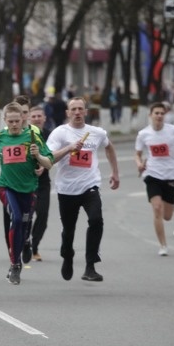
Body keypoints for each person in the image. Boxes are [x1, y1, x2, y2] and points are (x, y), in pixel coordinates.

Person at [46, 97, 120, 282]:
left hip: (90, 185)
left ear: (86, 112)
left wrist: (115, 172)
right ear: (67, 113)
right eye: (74, 109)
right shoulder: (60, 133)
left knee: (96, 220)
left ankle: (90, 266)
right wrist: (69, 148)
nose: (77, 112)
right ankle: (67, 256)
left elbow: (109, 147)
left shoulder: (96, 133)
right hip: (67, 189)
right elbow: (49, 159)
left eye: (81, 109)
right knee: (68, 230)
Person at [0, 102, 53, 284]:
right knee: (15, 219)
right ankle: (15, 264)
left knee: (24, 225)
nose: (15, 124)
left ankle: (25, 243)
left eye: (18, 121)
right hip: (6, 187)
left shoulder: (33, 137)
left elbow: (49, 163)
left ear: (23, 119)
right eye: (11, 121)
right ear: (5, 120)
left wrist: (38, 156)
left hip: (28, 189)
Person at [135, 102, 174, 256]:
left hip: (171, 176)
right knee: (157, 208)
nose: (159, 116)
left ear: (165, 115)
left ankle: (164, 234)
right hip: (152, 175)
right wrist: (139, 164)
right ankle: (163, 245)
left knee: (167, 216)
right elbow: (137, 153)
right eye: (156, 113)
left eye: (162, 113)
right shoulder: (143, 134)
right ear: (150, 115)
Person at [28, 105, 52, 260]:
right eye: (34, 116)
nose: (37, 119)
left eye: (39, 116)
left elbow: (53, 154)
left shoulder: (50, 135)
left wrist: (43, 166)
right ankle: (23, 244)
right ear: (30, 118)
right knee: (26, 216)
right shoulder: (25, 135)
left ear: (44, 118)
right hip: (26, 181)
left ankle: (34, 246)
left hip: (43, 182)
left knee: (42, 215)